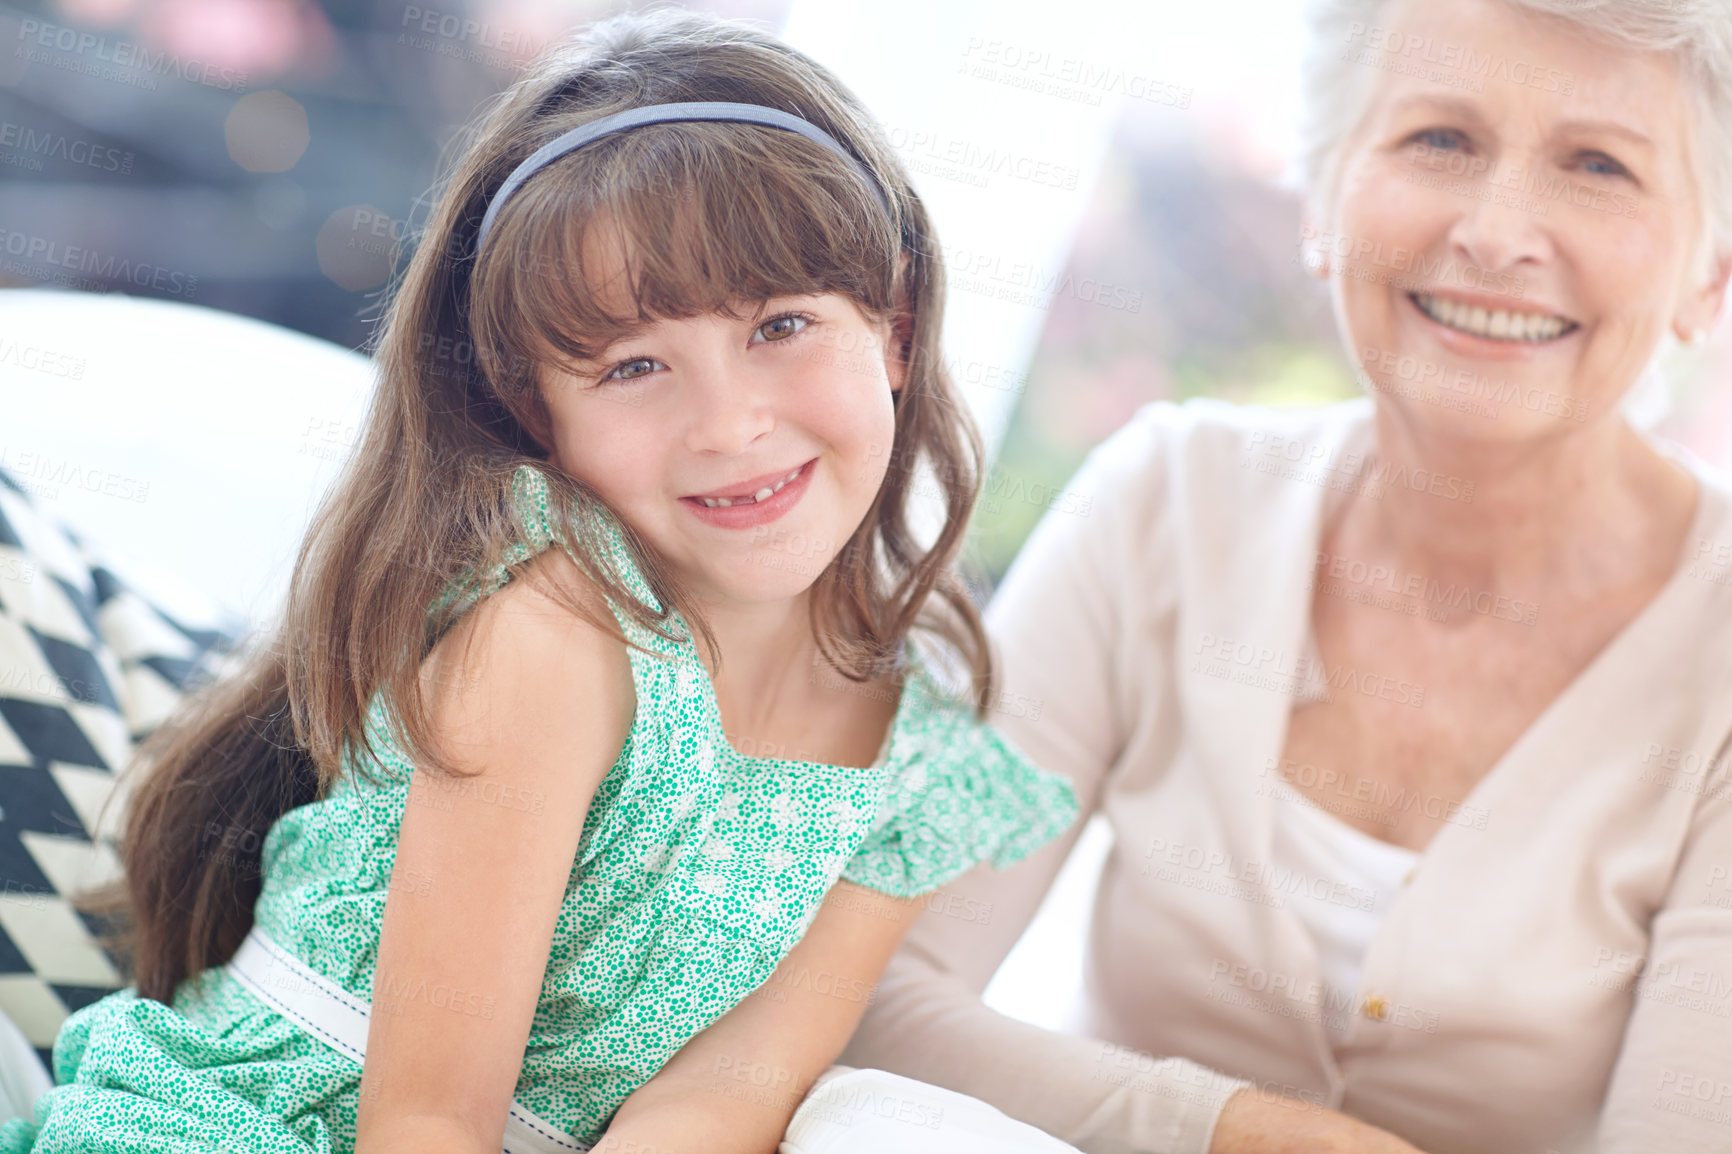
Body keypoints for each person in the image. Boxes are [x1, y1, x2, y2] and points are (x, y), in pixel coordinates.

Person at [0, 11, 1081, 1154]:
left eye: (782, 324)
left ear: (897, 330)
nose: (729, 424)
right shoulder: (563, 629)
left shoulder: (922, 750)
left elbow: (720, 1098)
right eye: (633, 366)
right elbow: (424, 1117)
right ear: (536, 411)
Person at [842, 1, 1732, 1152]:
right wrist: (1241, 1130)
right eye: (1439, 140)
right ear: (1321, 201)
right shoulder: (1166, 501)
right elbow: (871, 991)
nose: (1496, 232)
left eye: (1598, 163)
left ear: (1710, 277)